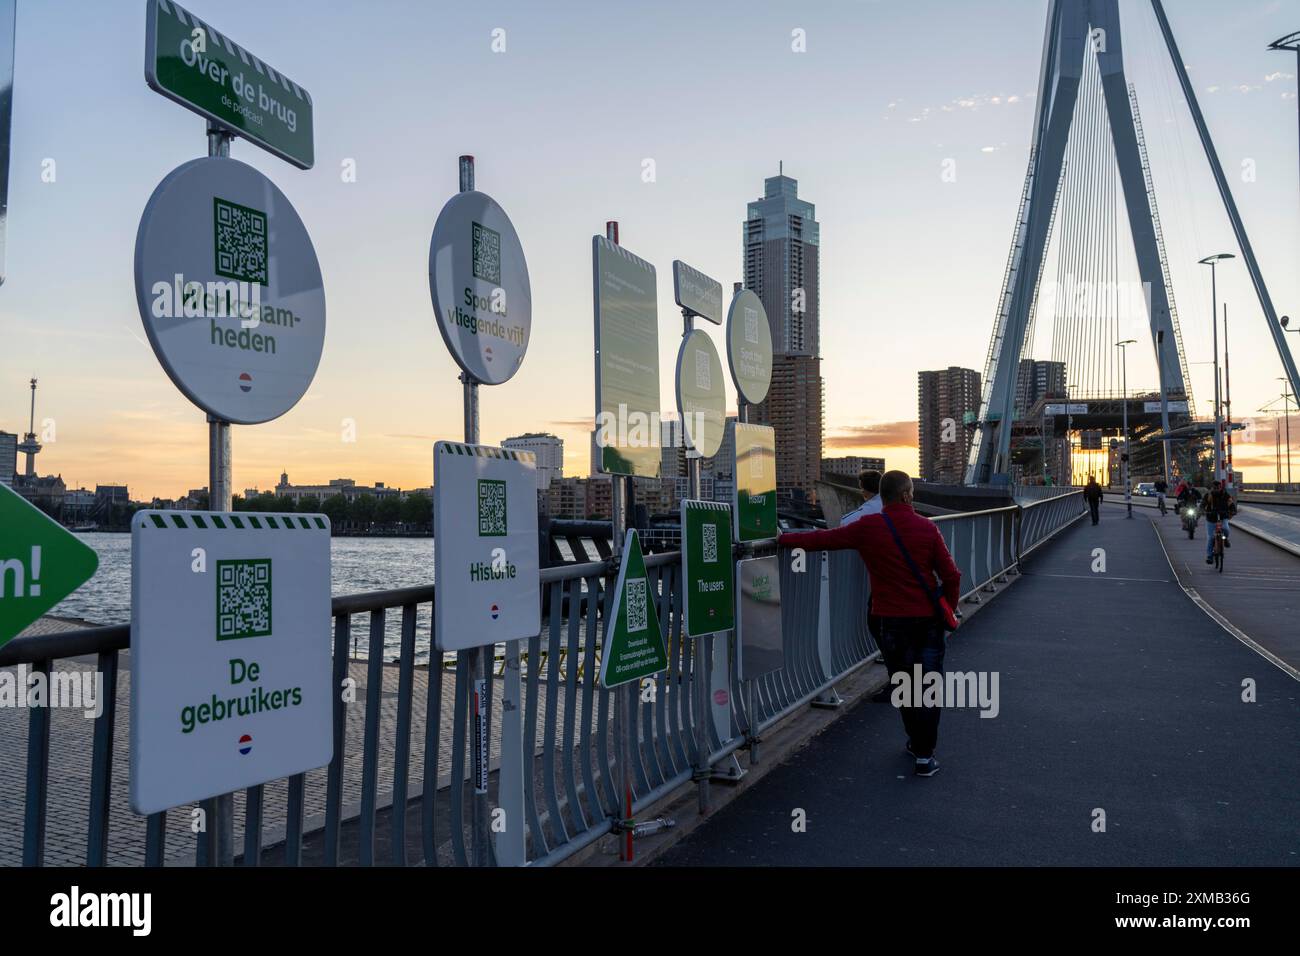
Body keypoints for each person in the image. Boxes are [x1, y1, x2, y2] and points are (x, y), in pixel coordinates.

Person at [777, 470, 960, 777]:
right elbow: (952, 576)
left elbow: (824, 538)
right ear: (905, 495)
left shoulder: (867, 527)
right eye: (911, 491)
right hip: (927, 622)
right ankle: (925, 755)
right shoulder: (926, 529)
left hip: (891, 622)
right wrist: (948, 610)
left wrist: (784, 539)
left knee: (903, 684)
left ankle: (915, 740)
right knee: (927, 687)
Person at [839, 469, 884, 642]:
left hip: (880, 574)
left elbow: (845, 522)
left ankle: (888, 656)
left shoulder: (869, 510)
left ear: (864, 490)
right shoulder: (890, 504)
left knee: (875, 618)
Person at [1202, 479, 1233, 563]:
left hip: (1222, 517)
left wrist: (1232, 510)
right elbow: (1202, 504)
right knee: (1211, 537)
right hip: (1211, 519)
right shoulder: (1208, 495)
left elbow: (1231, 504)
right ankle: (1209, 556)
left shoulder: (1225, 495)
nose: (1216, 489)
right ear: (1212, 488)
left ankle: (1225, 538)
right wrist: (1201, 510)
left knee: (1226, 529)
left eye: (1218, 487)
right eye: (1214, 488)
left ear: (1220, 487)